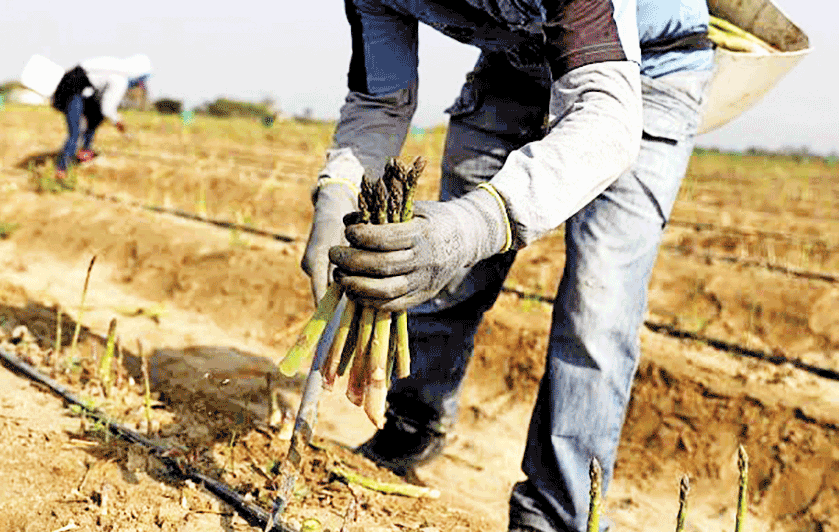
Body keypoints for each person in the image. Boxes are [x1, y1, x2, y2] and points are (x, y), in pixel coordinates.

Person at [301, 1, 714, 531]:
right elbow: (379, 99)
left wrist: (477, 223)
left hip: (646, 76)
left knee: (598, 304)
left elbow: (606, 122)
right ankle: (413, 420)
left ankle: (557, 514)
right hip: (516, 63)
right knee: (446, 274)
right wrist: (338, 190)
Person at [51, 54, 151, 182]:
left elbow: (101, 103)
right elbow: (108, 109)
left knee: (96, 116)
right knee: (75, 134)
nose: (138, 85)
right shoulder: (121, 80)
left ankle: (84, 152)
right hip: (72, 90)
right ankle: (61, 170)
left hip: (76, 86)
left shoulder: (117, 67)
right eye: (140, 81)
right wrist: (119, 123)